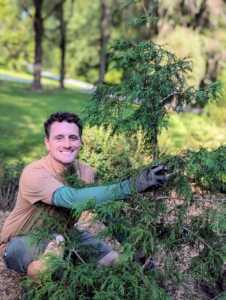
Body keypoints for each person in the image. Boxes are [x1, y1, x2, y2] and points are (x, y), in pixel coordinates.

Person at [0, 111, 168, 280]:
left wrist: (134, 247)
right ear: (47, 143)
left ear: (80, 141)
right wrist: (131, 186)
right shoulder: (34, 173)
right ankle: (37, 292)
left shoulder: (87, 173)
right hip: (20, 242)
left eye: (73, 137)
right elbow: (73, 198)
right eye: (59, 138)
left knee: (117, 264)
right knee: (55, 244)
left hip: (67, 237)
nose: (67, 144)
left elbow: (107, 212)